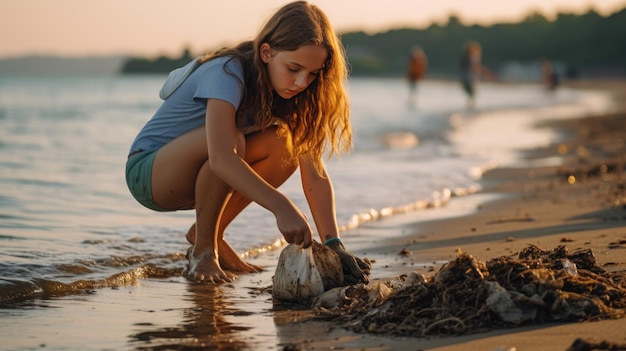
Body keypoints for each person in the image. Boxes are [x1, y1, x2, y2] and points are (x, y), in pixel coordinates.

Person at [125, 1, 371, 285]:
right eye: (294, 69)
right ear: (266, 52)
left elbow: (314, 175)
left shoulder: (291, 94)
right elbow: (221, 157)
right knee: (233, 142)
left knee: (285, 148)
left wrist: (333, 244)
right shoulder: (227, 72)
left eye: (313, 74)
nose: (302, 82)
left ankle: (207, 236)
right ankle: (204, 251)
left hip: (206, 169)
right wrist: (282, 206)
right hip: (149, 172)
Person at [459, 40, 493, 109]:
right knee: (471, 93)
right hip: (470, 76)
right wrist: (486, 73)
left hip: (465, 76)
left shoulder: (465, 56)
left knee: (470, 94)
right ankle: (471, 107)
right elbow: (475, 66)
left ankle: (470, 107)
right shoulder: (471, 56)